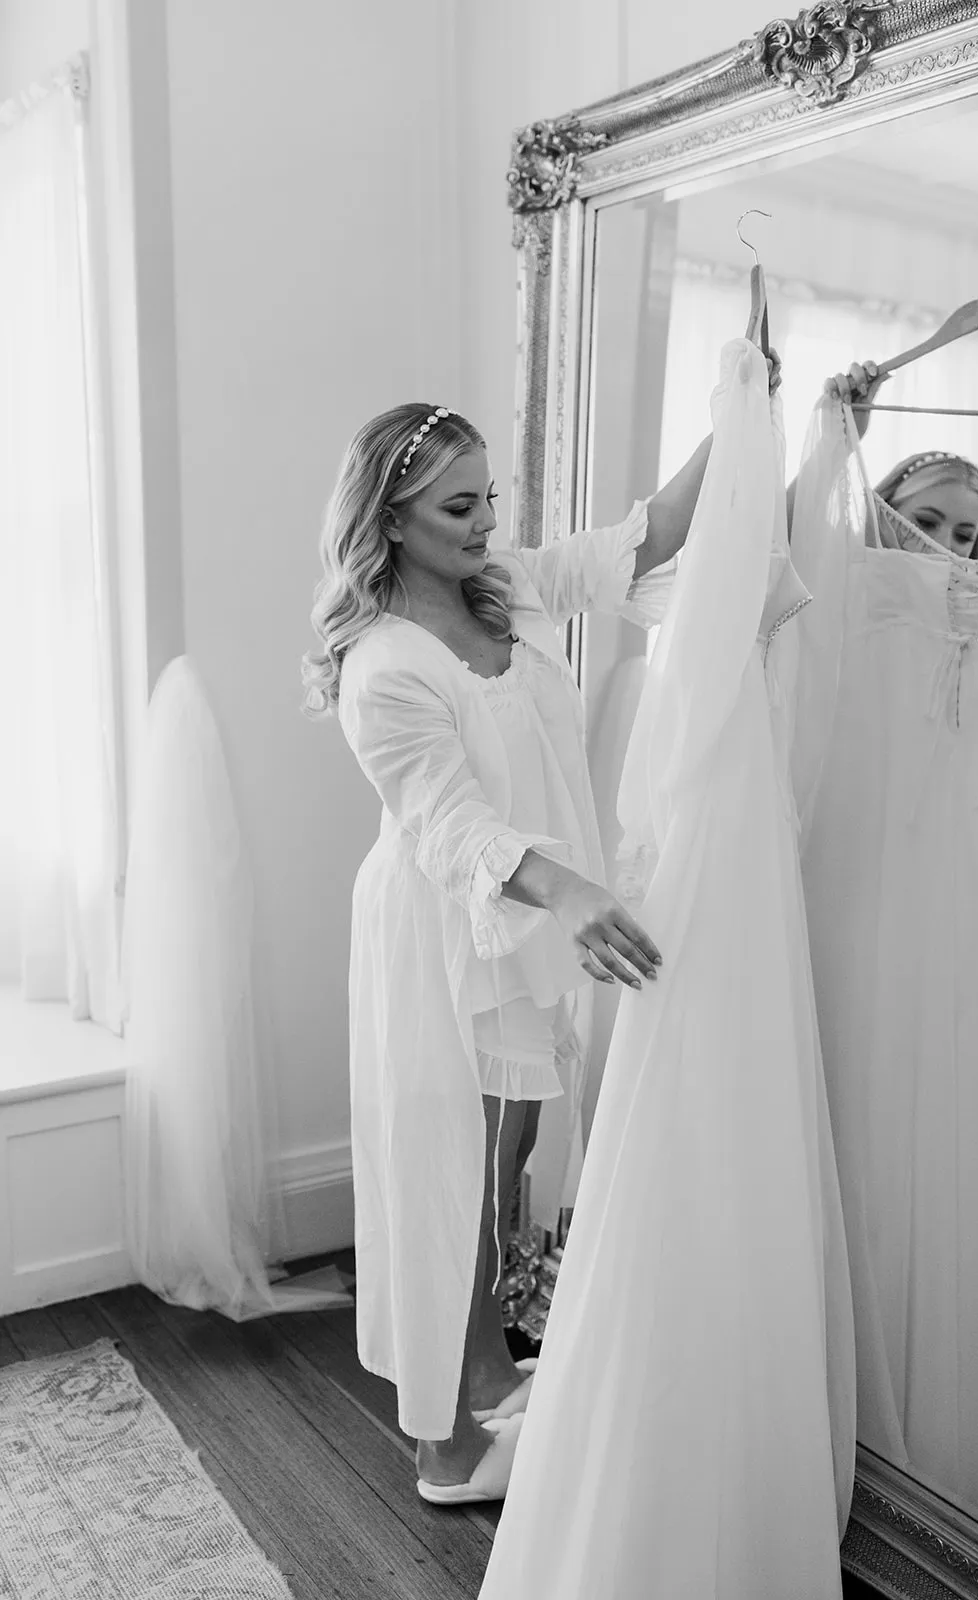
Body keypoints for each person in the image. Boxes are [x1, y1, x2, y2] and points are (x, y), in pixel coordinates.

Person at [301, 366, 779, 1504]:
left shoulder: (497, 588)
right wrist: (569, 895)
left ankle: (477, 1371)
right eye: (455, 507)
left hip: (526, 912)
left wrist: (737, 407)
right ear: (386, 516)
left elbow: (641, 536)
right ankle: (442, 1449)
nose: (483, 525)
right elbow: (453, 826)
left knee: (504, 1155)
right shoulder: (382, 665)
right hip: (442, 922)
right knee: (447, 1169)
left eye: (488, 500)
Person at [827, 360, 978, 557]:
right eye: (926, 523)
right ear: (887, 513)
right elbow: (786, 544)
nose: (943, 546)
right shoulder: (840, 567)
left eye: (964, 537)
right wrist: (837, 443)